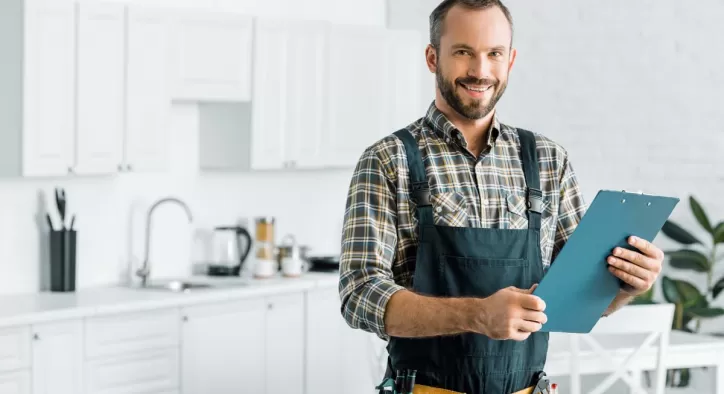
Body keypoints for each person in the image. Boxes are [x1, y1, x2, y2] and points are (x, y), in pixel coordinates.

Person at [338, 0, 665, 393]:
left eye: (494, 54)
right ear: (432, 57)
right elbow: (359, 294)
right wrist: (477, 315)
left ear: (510, 60)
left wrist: (625, 285)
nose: (480, 70)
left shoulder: (548, 160)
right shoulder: (388, 160)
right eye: (463, 52)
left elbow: (574, 297)